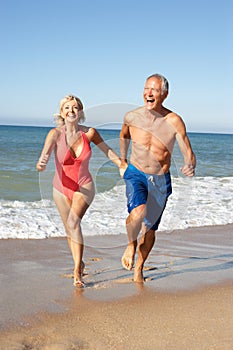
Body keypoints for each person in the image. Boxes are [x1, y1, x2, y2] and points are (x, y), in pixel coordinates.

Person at [36, 94, 121, 287]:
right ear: (61, 113)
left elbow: (106, 150)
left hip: (84, 186)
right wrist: (41, 164)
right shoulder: (55, 134)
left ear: (80, 112)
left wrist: (121, 164)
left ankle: (76, 273)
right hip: (60, 188)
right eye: (67, 107)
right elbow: (45, 155)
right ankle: (79, 262)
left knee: (74, 222)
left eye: (74, 107)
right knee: (69, 229)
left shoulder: (89, 133)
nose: (71, 111)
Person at [119, 74, 196, 283]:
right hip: (136, 172)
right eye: (146, 89)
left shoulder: (174, 121)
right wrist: (123, 161)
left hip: (160, 178)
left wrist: (190, 164)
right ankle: (130, 244)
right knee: (138, 212)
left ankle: (139, 269)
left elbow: (187, 149)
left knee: (150, 230)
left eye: (154, 90)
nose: (148, 93)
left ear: (164, 94)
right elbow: (124, 135)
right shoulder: (132, 117)